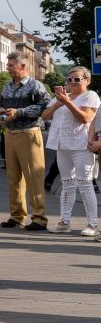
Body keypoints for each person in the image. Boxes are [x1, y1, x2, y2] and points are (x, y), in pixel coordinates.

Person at [0, 52, 51, 230]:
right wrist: (1, 112)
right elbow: (1, 105)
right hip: (10, 134)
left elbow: (45, 107)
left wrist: (18, 112)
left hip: (29, 133)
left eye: (11, 65)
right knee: (13, 178)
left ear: (22, 67)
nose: (8, 68)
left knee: (33, 177)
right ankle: (17, 215)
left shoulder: (36, 85)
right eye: (8, 64)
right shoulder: (7, 86)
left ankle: (39, 218)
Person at [43, 67, 98, 236]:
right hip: (63, 146)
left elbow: (85, 118)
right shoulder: (61, 97)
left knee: (85, 184)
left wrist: (67, 103)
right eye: (69, 79)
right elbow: (44, 116)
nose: (72, 82)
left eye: (77, 79)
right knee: (67, 183)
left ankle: (92, 224)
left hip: (82, 145)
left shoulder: (90, 96)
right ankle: (64, 221)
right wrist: (59, 103)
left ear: (87, 81)